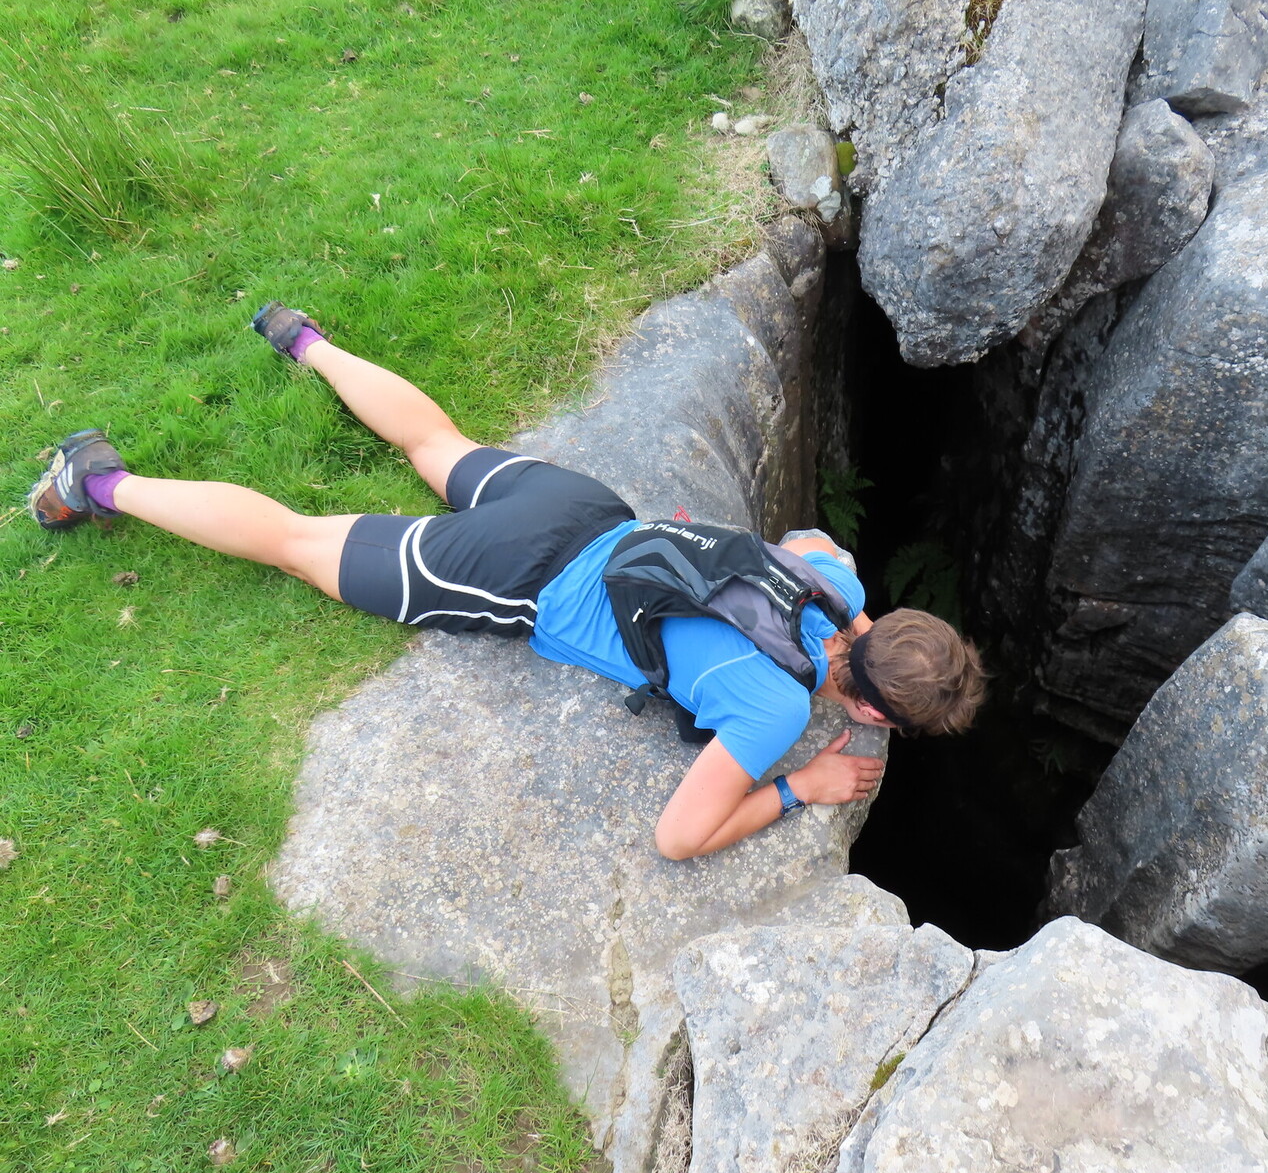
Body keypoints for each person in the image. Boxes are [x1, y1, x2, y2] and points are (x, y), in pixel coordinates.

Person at [28, 303, 987, 858]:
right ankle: (98, 482)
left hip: (586, 510)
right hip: (519, 577)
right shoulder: (774, 710)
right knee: (293, 540)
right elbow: (678, 838)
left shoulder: (836, 583)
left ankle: (304, 341)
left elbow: (803, 539)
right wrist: (805, 786)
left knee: (434, 443)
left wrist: (852, 629)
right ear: (876, 713)